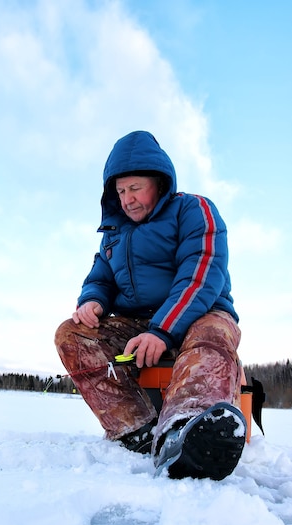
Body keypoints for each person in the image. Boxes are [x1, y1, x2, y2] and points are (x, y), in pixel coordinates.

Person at [55, 130, 246, 480]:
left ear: (159, 182)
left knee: (211, 334)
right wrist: (92, 302)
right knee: (71, 334)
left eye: (135, 188)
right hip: (139, 324)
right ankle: (137, 430)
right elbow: (100, 278)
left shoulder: (193, 209)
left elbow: (201, 273)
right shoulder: (114, 233)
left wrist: (162, 330)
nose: (127, 200)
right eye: (120, 191)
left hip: (200, 313)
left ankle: (187, 428)